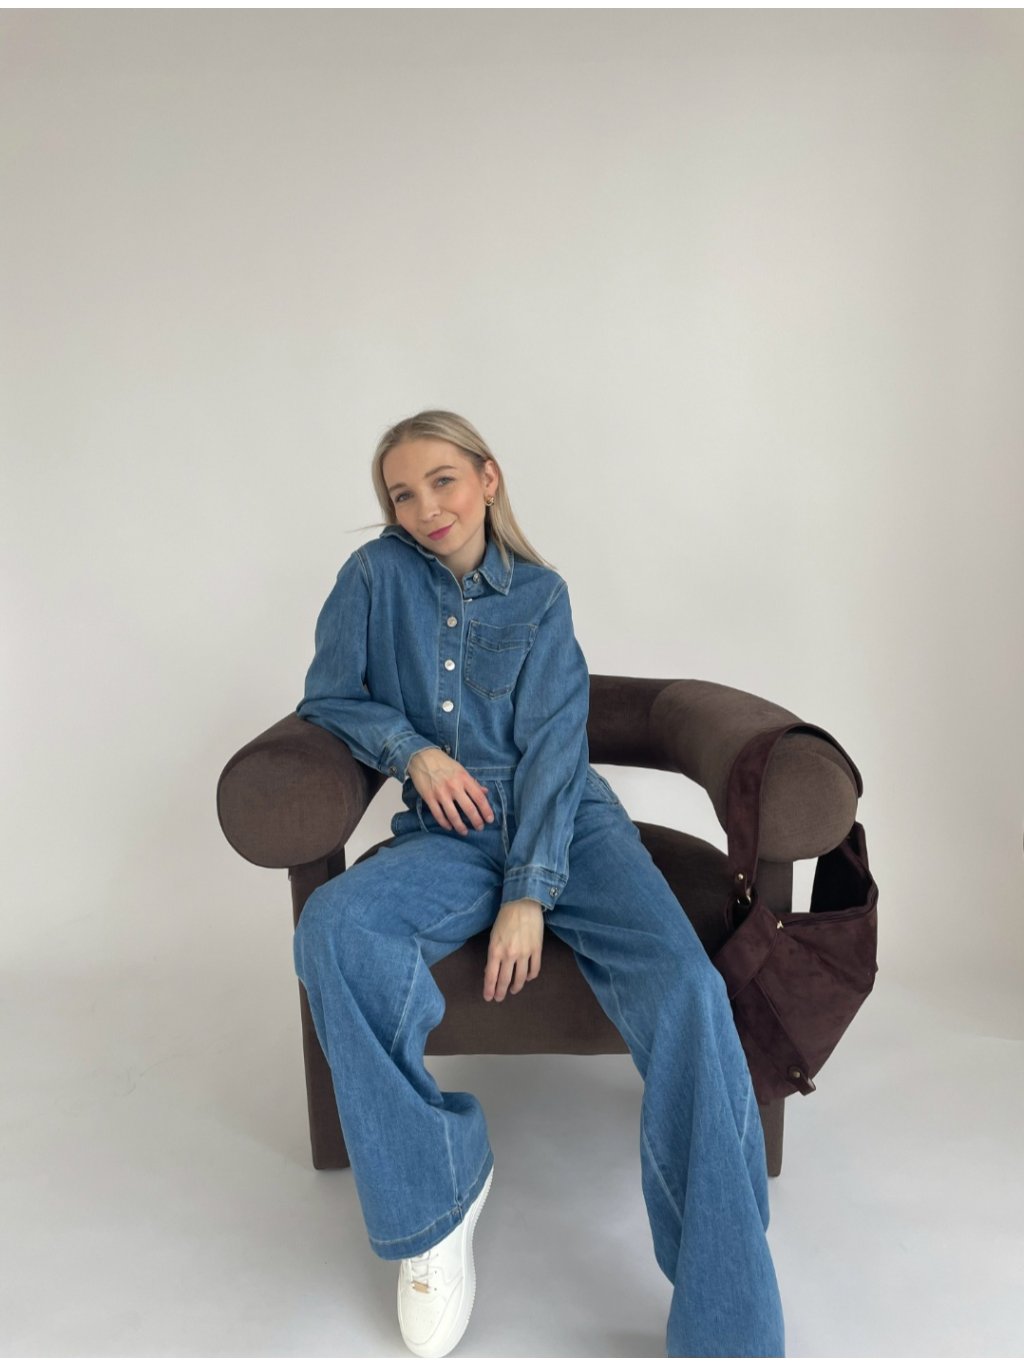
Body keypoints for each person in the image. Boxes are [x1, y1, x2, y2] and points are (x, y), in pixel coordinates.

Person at [292, 409, 785, 1359]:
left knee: (687, 987)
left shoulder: (542, 594)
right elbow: (331, 695)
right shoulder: (371, 578)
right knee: (334, 927)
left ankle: (727, 1325)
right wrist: (413, 751)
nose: (425, 507)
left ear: (487, 477)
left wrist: (530, 889)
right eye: (402, 493)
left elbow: (559, 746)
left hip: (570, 824)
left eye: (442, 480)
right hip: (449, 828)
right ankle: (438, 1197)